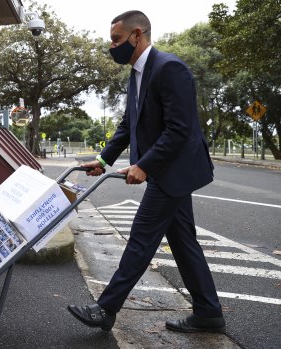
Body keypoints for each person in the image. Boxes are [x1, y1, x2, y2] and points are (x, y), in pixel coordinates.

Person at [68, 10, 225, 333]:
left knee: (141, 238)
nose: (112, 46)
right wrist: (104, 159)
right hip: (167, 171)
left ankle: (106, 308)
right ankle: (209, 312)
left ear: (137, 35)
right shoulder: (136, 74)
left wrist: (144, 165)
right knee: (183, 243)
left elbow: (179, 129)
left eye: (116, 39)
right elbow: (130, 124)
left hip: (174, 171)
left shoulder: (170, 68)